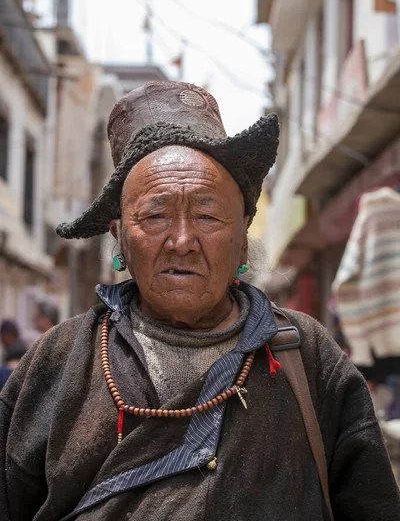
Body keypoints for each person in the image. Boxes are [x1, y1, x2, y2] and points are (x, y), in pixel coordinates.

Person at [0, 81, 399, 521]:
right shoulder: (58, 361)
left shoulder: (309, 357)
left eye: (208, 215)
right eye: (155, 215)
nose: (183, 241)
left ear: (243, 239)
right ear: (119, 241)